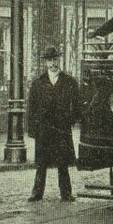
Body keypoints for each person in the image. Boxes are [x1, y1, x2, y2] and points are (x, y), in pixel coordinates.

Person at [27, 46, 83, 202]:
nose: (53, 63)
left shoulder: (69, 82)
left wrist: (70, 119)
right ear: (46, 63)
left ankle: (66, 193)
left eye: (55, 60)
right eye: (50, 60)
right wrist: (33, 130)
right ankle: (37, 193)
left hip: (61, 129)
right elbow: (32, 107)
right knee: (41, 163)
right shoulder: (38, 83)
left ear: (59, 60)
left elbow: (77, 105)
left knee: (62, 163)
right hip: (44, 129)